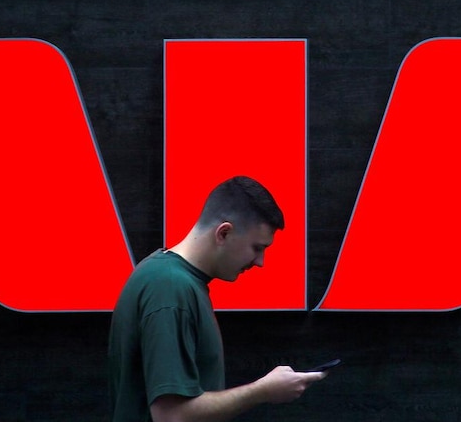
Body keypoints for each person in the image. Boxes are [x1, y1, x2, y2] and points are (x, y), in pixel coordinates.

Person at [108, 175, 326, 422]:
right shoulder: (169, 289)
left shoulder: (171, 280)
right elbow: (171, 417)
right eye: (257, 247)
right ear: (223, 233)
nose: (260, 262)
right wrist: (263, 391)